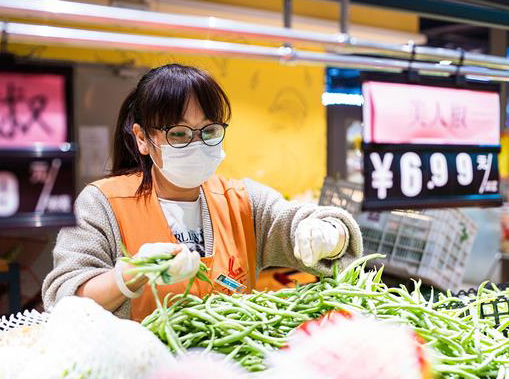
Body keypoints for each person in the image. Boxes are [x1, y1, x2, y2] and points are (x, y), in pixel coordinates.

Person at [43, 64, 362, 321]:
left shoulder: (242, 201)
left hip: (226, 378)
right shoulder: (102, 203)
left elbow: (300, 224)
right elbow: (64, 298)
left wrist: (329, 234)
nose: (197, 144)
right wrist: (128, 276)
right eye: (179, 134)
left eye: (209, 131)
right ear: (142, 138)